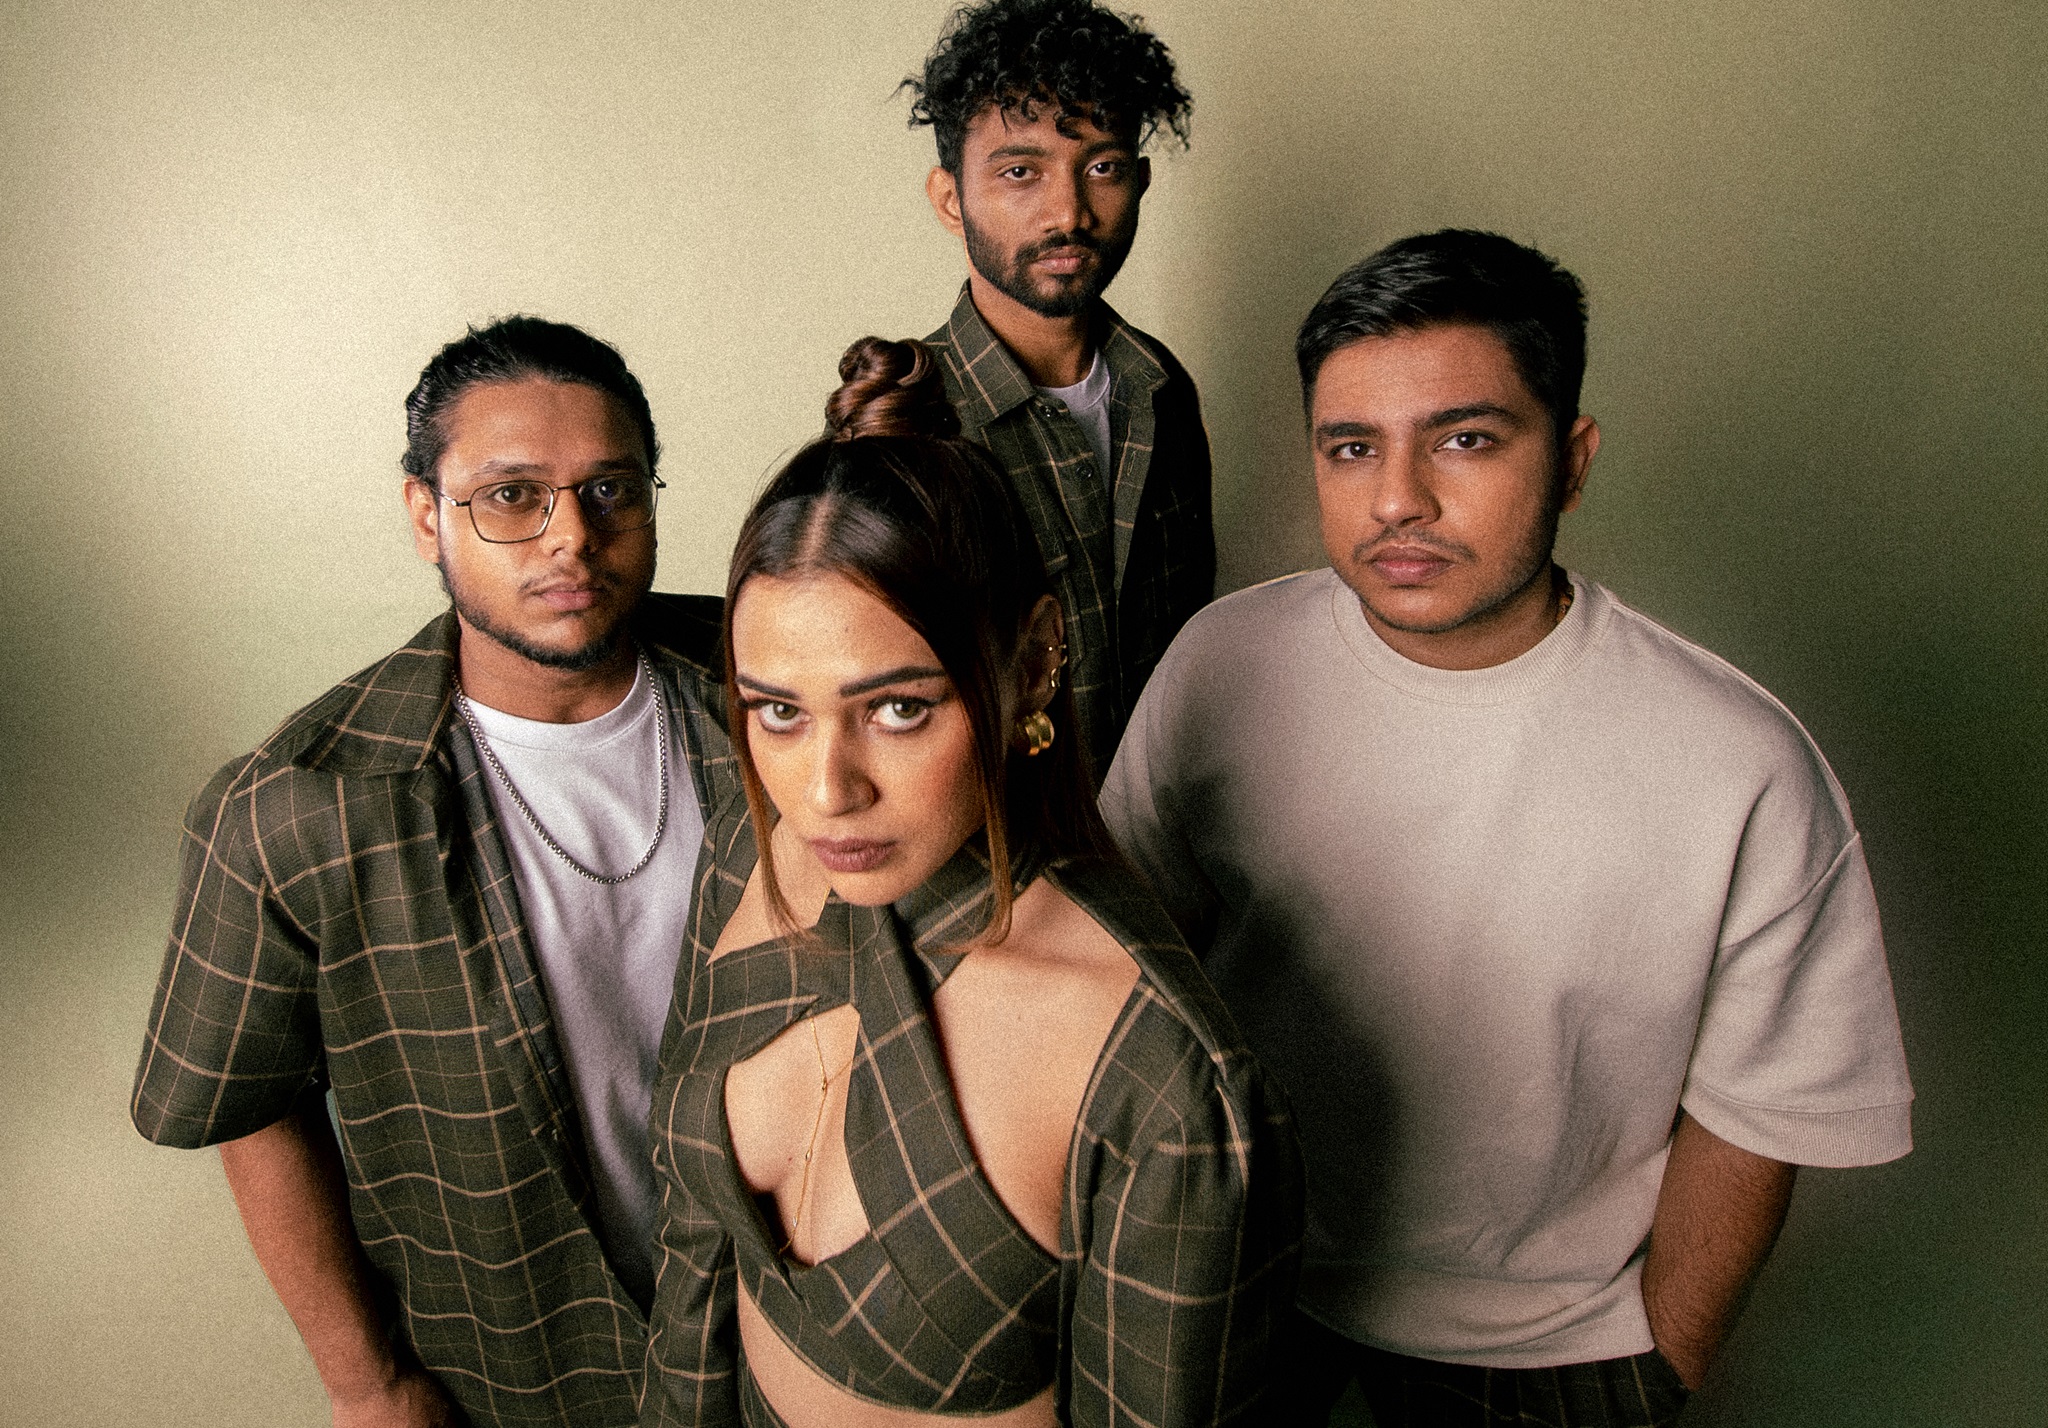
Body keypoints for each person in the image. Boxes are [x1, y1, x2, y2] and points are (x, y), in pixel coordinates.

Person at [1100, 230, 1914, 1427]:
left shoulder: (1736, 764)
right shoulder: (1221, 663)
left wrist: (1652, 1372)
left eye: (1464, 440)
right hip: (1235, 1287)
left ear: (1570, 460)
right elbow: (1117, 965)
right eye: (1350, 448)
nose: (1397, 500)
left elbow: (1758, 1114)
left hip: (1553, 1347)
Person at [639, 337, 1301, 1428]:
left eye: (897, 707)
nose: (823, 792)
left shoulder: (1162, 1081)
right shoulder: (744, 853)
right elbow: (695, 1266)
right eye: (777, 710)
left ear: (1033, 662)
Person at [131, 316, 737, 1428]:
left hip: (803, 1336)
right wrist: (367, 1384)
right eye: (511, 496)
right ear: (426, 514)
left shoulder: (775, 695)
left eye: (611, 490)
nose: (570, 538)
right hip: (520, 1370)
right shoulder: (298, 804)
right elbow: (246, 1107)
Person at [905, 0, 1212, 782]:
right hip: (1003, 871)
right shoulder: (907, 422)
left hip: (1161, 855)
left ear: (1139, 183)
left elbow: (1189, 651)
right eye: (1020, 172)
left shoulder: (1163, 388)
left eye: (1102, 167)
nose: (1069, 211)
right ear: (950, 199)